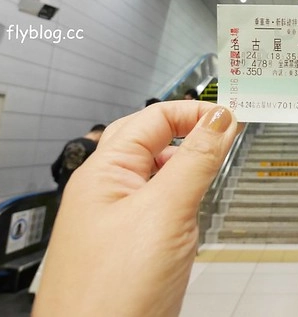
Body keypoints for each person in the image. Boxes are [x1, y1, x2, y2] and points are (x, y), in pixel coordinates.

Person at [32, 102, 240, 317]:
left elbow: (54, 169)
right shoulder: (94, 148)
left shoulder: (77, 145)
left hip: (70, 197)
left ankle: (46, 282)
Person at [50, 123, 106, 195]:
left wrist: (60, 182)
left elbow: (54, 167)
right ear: (100, 134)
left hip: (63, 192)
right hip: (81, 194)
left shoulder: (70, 143)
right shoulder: (95, 148)